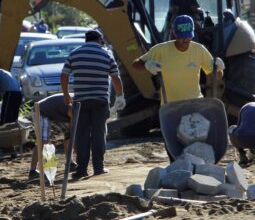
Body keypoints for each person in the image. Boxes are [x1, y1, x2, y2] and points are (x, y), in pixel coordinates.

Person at [61, 30, 125, 178]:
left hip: (80, 101)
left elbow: (64, 75)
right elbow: (116, 77)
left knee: (81, 135)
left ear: (86, 39)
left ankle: (81, 169)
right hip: (100, 101)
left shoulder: (74, 53)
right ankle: (98, 168)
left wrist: (66, 96)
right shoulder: (106, 54)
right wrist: (120, 95)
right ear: (99, 40)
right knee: (98, 134)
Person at [132, 15, 224, 104]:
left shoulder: (199, 50)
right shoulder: (161, 50)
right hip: (171, 106)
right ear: (174, 33)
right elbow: (135, 65)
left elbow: (217, 76)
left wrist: (218, 68)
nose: (186, 40)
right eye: (182, 36)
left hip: (195, 104)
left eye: (188, 36)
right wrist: (147, 65)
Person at [28, 93, 74, 180]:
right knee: (42, 141)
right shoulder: (77, 101)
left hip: (54, 113)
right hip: (41, 111)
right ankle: (33, 171)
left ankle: (70, 163)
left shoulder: (82, 102)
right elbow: (71, 114)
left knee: (69, 134)